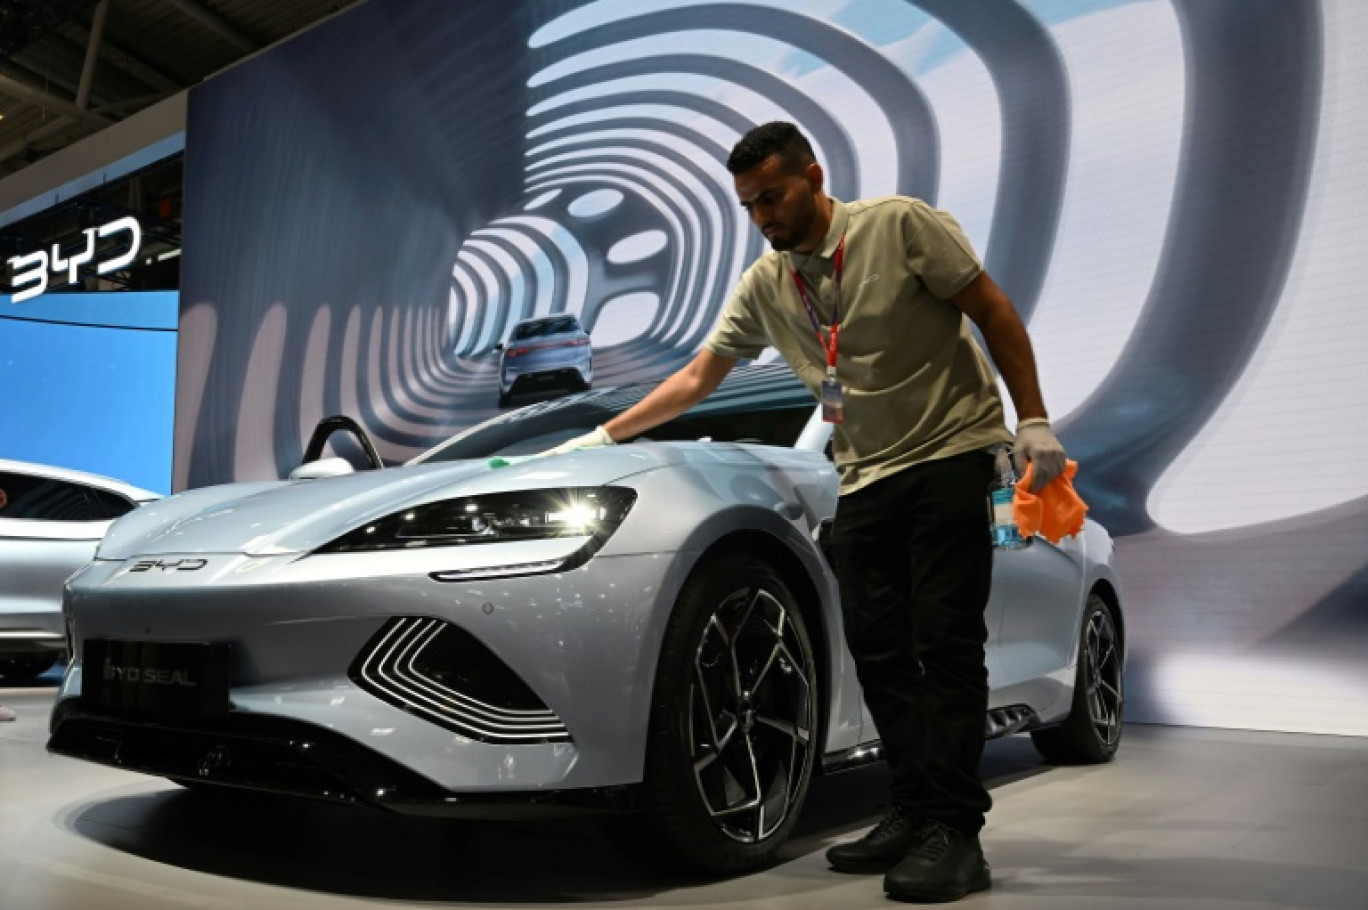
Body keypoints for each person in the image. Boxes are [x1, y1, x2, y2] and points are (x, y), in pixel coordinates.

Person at [549, 121, 1066, 903]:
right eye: (750, 205)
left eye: (773, 197)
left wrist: (1033, 419)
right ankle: (910, 805)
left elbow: (993, 312)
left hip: (950, 454)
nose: (764, 216)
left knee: (944, 646)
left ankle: (954, 832)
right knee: (880, 652)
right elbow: (698, 378)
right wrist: (599, 435)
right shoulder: (767, 283)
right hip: (863, 476)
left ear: (813, 176)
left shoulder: (899, 225)